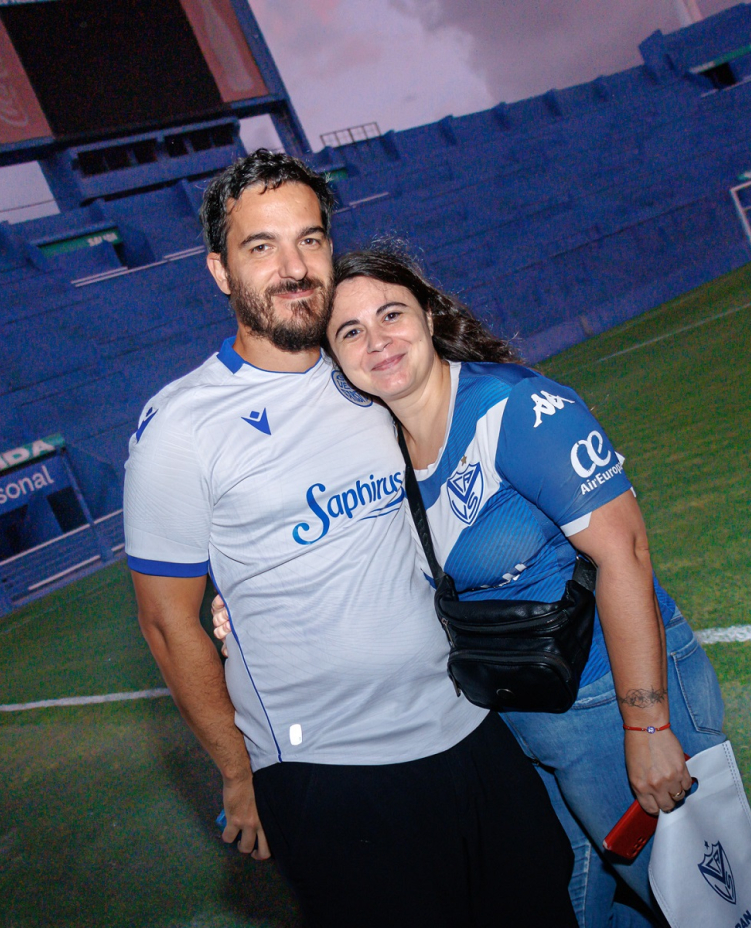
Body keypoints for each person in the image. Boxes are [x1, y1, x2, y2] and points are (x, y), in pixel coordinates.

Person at [121, 151, 578, 928]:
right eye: (261, 246)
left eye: (310, 239)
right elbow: (167, 623)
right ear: (220, 271)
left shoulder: (372, 367)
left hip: (467, 724)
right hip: (330, 771)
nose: (294, 268)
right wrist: (237, 770)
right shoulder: (182, 428)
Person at [215, 243, 728, 928]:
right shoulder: (379, 454)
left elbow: (626, 555)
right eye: (350, 331)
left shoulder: (515, 406)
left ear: (428, 315)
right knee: (576, 911)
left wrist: (648, 724)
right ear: (335, 359)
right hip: (516, 721)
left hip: (610, 699)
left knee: (703, 906)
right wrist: (247, 604)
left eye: (391, 314)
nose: (377, 341)